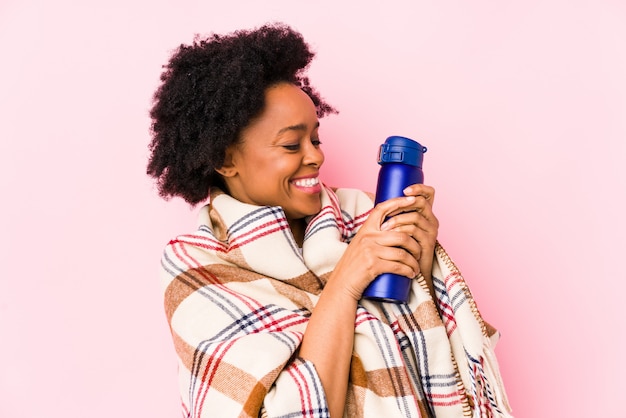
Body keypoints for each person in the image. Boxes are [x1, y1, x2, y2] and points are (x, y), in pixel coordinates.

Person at [147, 23, 512, 418]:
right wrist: (347, 280)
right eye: (291, 144)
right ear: (224, 159)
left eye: (316, 140)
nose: (316, 157)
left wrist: (421, 269)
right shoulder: (194, 267)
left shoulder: (361, 215)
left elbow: (425, 352)